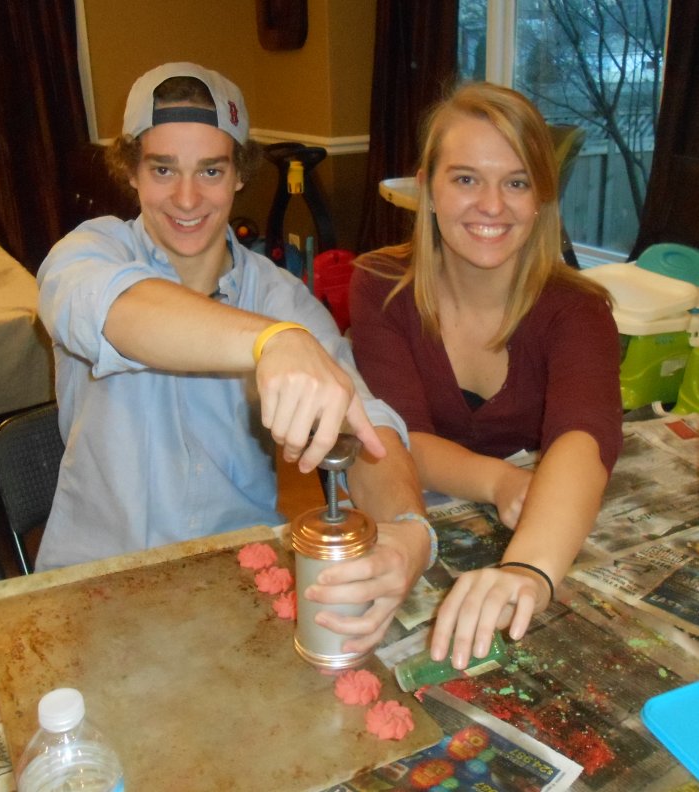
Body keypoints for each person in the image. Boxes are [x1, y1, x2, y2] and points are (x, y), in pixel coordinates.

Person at [37, 62, 433, 654]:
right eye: (163, 168)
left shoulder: (280, 297)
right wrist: (269, 342)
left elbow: (365, 425)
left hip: (236, 586)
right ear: (131, 172)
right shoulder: (88, 253)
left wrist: (411, 532)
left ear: (240, 175)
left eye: (211, 170)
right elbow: (119, 311)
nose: (188, 198)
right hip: (95, 586)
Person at [350, 82, 623, 669]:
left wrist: (527, 571)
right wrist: (502, 483)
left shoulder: (578, 308)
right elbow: (395, 438)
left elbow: (585, 438)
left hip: (543, 524)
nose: (492, 206)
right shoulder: (379, 285)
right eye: (467, 178)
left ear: (541, 198)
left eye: (516, 182)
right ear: (427, 189)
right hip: (408, 512)